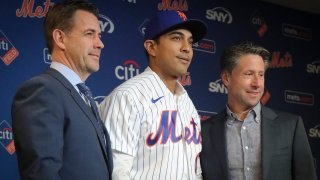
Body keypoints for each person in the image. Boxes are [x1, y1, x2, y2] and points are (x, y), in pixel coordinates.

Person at [99, 10, 207, 180]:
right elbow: (116, 172)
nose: (186, 48)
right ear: (151, 47)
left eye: (190, 42)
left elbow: (196, 170)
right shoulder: (128, 97)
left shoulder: (188, 104)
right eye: (176, 38)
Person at [11, 1, 113, 179]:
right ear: (60, 38)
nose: (100, 44)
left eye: (99, 35)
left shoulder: (84, 98)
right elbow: (42, 173)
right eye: (89, 34)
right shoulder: (42, 91)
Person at [200, 41, 317, 180]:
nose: (257, 84)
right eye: (249, 74)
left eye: (261, 75)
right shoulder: (204, 132)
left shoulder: (291, 125)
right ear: (226, 78)